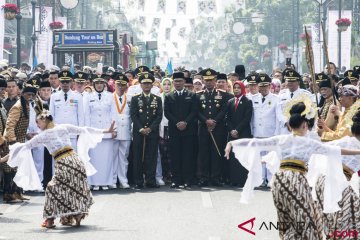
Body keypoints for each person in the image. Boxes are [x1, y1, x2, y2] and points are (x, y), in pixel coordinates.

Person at [224, 100, 360, 239]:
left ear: (289, 125)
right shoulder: (309, 142)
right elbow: (335, 150)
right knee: (306, 220)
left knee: (286, 218)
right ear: (305, 125)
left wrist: (232, 143)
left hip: (279, 180)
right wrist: (357, 152)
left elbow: (255, 142)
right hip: (296, 180)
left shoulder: (281, 139)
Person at [5, 104, 116, 228]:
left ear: (44, 120)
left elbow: (23, 147)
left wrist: (4, 158)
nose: (37, 125)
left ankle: (50, 220)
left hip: (64, 163)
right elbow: (84, 129)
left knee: (52, 189)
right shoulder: (63, 127)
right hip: (76, 162)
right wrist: (106, 130)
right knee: (73, 189)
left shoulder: (43, 135)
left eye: (38, 122)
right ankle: (73, 216)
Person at [315, 110, 360, 239]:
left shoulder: (345, 140)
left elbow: (321, 149)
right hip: (339, 184)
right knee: (346, 223)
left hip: (323, 180)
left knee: (331, 222)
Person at [164, 72, 197, 188]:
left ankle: (188, 180)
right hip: (174, 130)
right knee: (175, 156)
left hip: (188, 130)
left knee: (188, 156)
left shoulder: (192, 95)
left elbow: (194, 111)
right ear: (173, 83)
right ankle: (176, 180)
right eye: (176, 81)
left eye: (180, 81)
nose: (178, 83)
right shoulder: (169, 96)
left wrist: (185, 122)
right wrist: (177, 122)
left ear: (184, 82)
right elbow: (167, 112)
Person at [130, 72, 162, 189]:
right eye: (144, 84)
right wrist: (141, 128)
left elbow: (159, 116)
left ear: (152, 85)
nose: (147, 86)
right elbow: (133, 115)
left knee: (151, 156)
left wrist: (150, 128)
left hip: (152, 132)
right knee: (138, 157)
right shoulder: (135, 99)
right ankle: (138, 181)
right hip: (139, 132)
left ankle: (150, 180)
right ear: (141, 85)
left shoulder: (157, 99)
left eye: (149, 84)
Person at [84, 74, 115, 191]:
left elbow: (113, 113)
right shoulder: (88, 96)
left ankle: (106, 182)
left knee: (106, 158)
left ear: (104, 85)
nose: (99, 85)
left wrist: (113, 129)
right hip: (94, 130)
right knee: (94, 158)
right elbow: (86, 114)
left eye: (101, 83)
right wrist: (87, 130)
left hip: (107, 130)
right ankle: (94, 182)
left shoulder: (110, 96)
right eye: (97, 83)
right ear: (94, 85)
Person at [196, 68, 227, 187]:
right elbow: (196, 111)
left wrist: (214, 121)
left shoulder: (222, 94)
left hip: (217, 128)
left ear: (215, 80)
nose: (209, 82)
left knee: (216, 153)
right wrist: (206, 121)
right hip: (203, 128)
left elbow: (223, 110)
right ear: (203, 81)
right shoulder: (199, 95)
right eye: (207, 80)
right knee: (203, 153)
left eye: (211, 80)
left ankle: (215, 177)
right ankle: (204, 177)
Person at [250, 73, 279, 188]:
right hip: (257, 132)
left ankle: (271, 179)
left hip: (270, 132)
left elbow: (278, 117)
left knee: (271, 157)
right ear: (258, 87)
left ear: (270, 86)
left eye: (266, 86)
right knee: (259, 158)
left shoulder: (276, 99)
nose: (264, 88)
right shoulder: (252, 98)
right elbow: (251, 117)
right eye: (261, 86)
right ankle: (261, 179)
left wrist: (277, 132)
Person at [225, 81, 252, 187]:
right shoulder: (230, 101)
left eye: (238, 88)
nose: (236, 89)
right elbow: (227, 118)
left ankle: (242, 180)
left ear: (242, 89)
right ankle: (233, 179)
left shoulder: (247, 101)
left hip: (243, 133)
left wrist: (238, 130)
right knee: (233, 157)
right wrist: (231, 130)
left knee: (242, 157)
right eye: (235, 87)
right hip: (232, 134)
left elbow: (247, 119)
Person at [49, 71, 84, 150]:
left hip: (72, 133)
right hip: (58, 133)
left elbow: (81, 116)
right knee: (58, 158)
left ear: (71, 82)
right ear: (59, 82)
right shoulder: (54, 96)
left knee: (72, 158)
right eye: (63, 81)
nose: (65, 84)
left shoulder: (78, 96)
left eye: (67, 82)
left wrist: (80, 133)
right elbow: (51, 116)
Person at [276, 69, 311, 134]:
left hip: (300, 128)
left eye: (292, 81)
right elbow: (278, 111)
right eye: (288, 81)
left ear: (298, 82)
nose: (290, 83)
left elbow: (308, 112)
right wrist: (286, 122)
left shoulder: (306, 94)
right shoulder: (281, 95)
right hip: (285, 129)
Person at [112, 73, 132, 189]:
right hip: (114, 130)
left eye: (122, 85)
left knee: (124, 158)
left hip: (125, 131)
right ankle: (113, 179)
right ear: (114, 85)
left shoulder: (130, 98)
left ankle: (123, 180)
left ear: (126, 86)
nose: (120, 87)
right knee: (113, 157)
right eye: (118, 84)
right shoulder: (110, 97)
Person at [159, 77, 173, 183]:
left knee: (172, 152)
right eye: (165, 84)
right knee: (163, 152)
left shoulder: (174, 97)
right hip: (161, 127)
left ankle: (172, 174)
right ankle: (164, 175)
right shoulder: (158, 98)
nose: (167, 86)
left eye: (169, 84)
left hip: (172, 126)